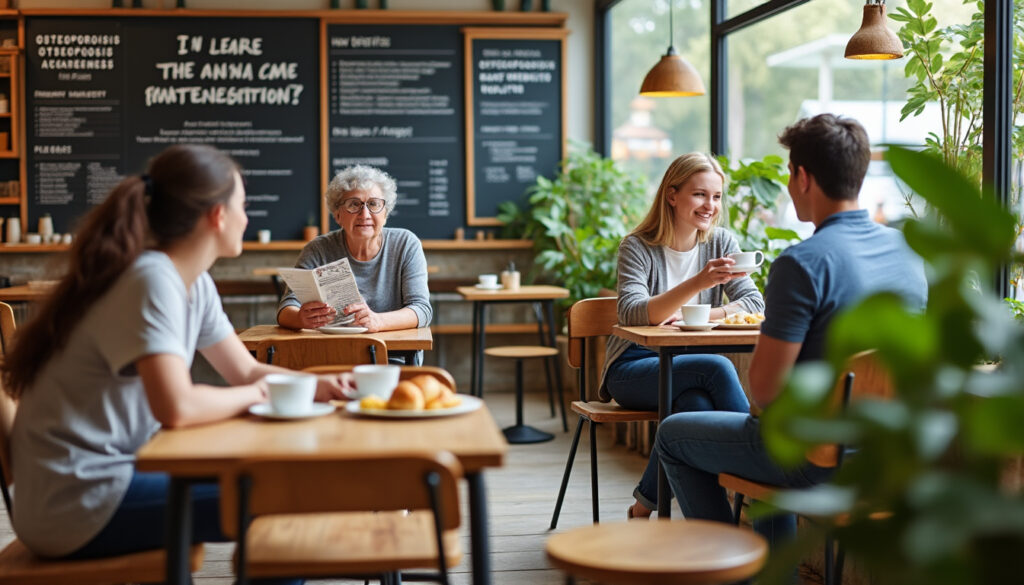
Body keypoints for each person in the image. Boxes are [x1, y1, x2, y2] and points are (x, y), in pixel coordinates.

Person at [2, 144, 346, 584]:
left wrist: (318, 384)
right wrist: (262, 394)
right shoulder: (150, 279)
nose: (247, 217)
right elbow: (177, 408)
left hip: (111, 478)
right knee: (283, 496)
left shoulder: (191, 282)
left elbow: (247, 371)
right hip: (76, 501)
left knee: (276, 481)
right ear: (217, 216)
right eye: (242, 205)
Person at [654, 114, 928, 546]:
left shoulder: (802, 263)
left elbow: (765, 391)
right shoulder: (909, 252)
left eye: (787, 173)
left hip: (815, 457)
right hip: (891, 453)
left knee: (673, 433)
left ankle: (737, 573)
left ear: (802, 177)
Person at [599, 152, 765, 519]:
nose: (710, 206)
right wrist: (701, 281)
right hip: (632, 367)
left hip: (686, 368)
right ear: (672, 195)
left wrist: (708, 313)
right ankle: (761, 458)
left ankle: (675, 517)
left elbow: (754, 302)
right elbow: (633, 312)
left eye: (717, 197)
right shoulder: (637, 246)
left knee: (695, 409)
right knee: (716, 369)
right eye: (699, 195)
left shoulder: (721, 242)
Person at [276, 165, 431, 364]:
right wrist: (300, 319)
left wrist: (378, 321)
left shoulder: (406, 244)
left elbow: (422, 310)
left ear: (385, 213)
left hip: (392, 360)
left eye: (374, 204)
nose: (364, 214)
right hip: (329, 360)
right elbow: (285, 309)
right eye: (353, 204)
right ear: (337, 214)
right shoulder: (318, 249)